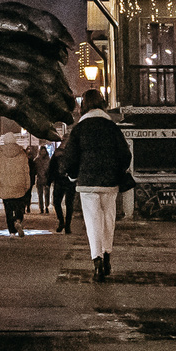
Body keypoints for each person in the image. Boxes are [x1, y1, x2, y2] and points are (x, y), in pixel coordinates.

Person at [57, 90, 131, 280]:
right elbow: (125, 155)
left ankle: (97, 262)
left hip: (88, 183)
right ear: (103, 103)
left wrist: (73, 176)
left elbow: (70, 157)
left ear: (84, 106)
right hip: (109, 183)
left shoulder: (79, 129)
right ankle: (107, 255)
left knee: (93, 222)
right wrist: (117, 171)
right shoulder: (111, 127)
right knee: (109, 219)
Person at [0, 118, 36, 235]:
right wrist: (27, 185)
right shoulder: (22, 153)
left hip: (5, 185)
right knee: (19, 207)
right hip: (19, 185)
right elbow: (26, 171)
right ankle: (18, 220)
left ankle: (11, 232)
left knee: (8, 209)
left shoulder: (0, 154)